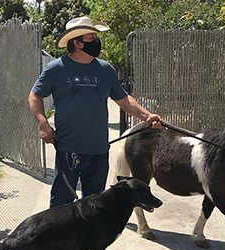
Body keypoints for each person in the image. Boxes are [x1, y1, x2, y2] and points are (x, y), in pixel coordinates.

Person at [28, 16, 161, 207]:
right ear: (77, 42)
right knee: (61, 205)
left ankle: (86, 238)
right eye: (91, 38)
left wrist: (147, 115)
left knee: (94, 206)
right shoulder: (57, 68)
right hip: (68, 150)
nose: (97, 42)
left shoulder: (105, 70)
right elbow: (34, 95)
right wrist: (43, 123)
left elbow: (124, 100)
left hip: (99, 151)